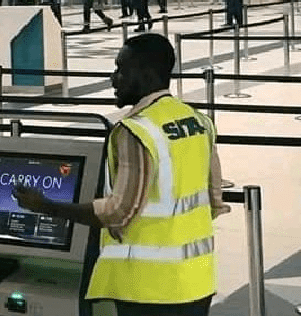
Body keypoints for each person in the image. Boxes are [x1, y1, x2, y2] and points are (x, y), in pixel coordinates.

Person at [13, 33, 229, 316]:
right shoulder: (198, 121)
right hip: (198, 282)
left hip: (149, 289)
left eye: (121, 70)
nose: (114, 79)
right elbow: (214, 199)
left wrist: (46, 207)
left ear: (147, 73)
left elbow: (119, 212)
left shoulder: (138, 131)